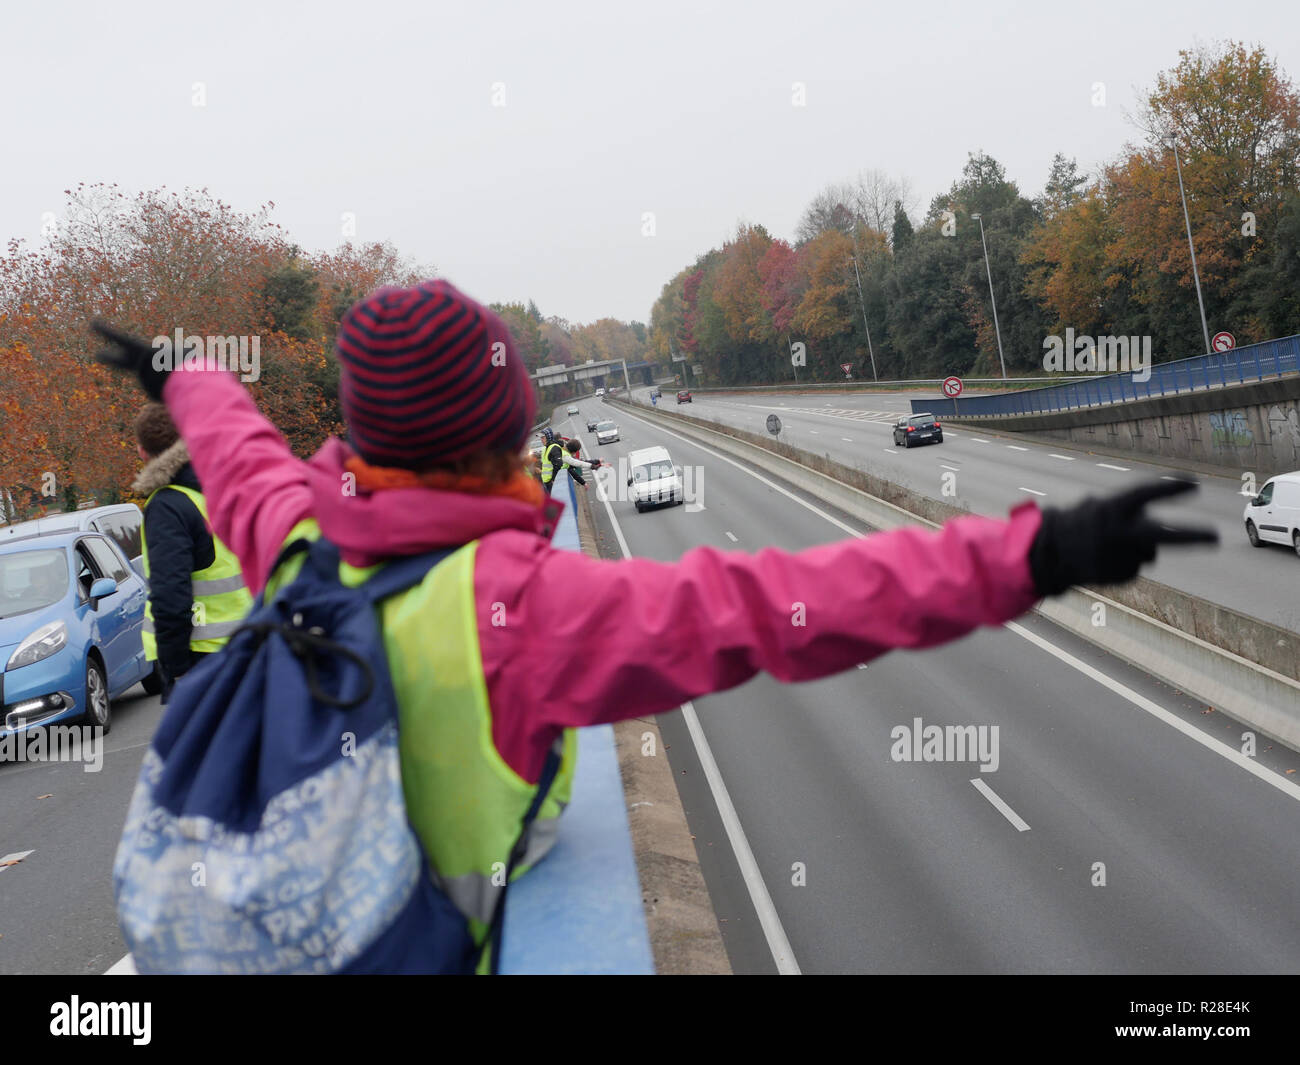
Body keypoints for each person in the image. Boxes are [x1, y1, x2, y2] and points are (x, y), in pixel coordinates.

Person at [92, 279, 1214, 967]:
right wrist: (1030, 553)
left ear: (364, 445)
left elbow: (241, 457)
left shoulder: (304, 538)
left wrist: (184, 374)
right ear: (507, 432)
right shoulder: (517, 613)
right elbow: (791, 607)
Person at [131, 402, 254, 701]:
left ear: (142, 451)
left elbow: (171, 594)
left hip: (206, 659)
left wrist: (176, 668)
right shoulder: (230, 487)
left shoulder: (167, 506)